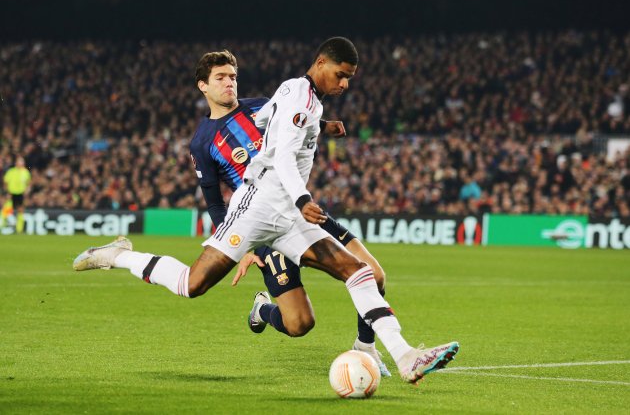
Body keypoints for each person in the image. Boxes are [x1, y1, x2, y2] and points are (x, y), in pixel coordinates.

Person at [73, 37, 459, 384]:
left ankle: (405, 356)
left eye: (233, 76)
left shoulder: (293, 94)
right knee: (194, 284)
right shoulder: (241, 121)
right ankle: (120, 256)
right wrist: (302, 200)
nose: (345, 85)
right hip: (256, 208)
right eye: (341, 76)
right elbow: (282, 158)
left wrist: (320, 128)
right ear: (322, 63)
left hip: (287, 215)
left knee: (358, 272)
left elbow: (263, 121)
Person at [188, 49, 391, 376]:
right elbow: (214, 202)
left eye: (233, 76)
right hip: (263, 226)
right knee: (299, 324)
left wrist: (325, 126)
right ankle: (263, 309)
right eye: (220, 78)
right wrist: (240, 248)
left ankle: (366, 348)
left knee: (374, 274)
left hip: (302, 214)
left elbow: (297, 124)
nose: (229, 83)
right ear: (203, 86)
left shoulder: (260, 105)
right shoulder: (202, 142)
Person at [1, 156, 31, 233]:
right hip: (11, 193)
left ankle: (19, 229)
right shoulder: (11, 171)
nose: (21, 163)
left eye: (22, 161)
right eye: (20, 161)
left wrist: (27, 191)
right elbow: (5, 182)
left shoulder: (26, 172)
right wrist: (7, 192)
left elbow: (28, 183)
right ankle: (1, 225)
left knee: (20, 211)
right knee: (6, 210)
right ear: (16, 163)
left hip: (20, 194)